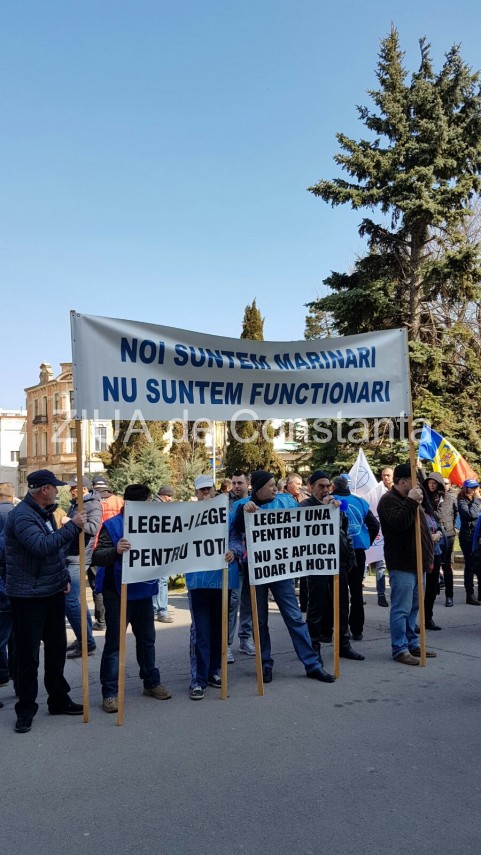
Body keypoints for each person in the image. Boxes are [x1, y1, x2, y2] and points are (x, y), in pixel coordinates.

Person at [230, 470, 335, 684]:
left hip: (281, 571)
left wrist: (325, 510)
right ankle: (264, 664)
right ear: (258, 489)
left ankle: (312, 664)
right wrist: (244, 513)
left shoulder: (285, 502)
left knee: (294, 618)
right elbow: (236, 531)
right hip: (256, 572)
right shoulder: (243, 506)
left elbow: (304, 521)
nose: (275, 489)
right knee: (260, 621)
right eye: (270, 486)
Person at [3, 469, 86, 733]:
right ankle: (26, 709)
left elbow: (55, 552)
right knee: (28, 655)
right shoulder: (22, 516)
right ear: (44, 490)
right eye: (55, 487)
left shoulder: (46, 512)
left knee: (56, 648)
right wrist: (73, 526)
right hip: (28, 595)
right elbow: (41, 547)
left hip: (51, 590)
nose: (58, 491)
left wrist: (63, 577)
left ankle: (58, 699)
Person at [92, 483, 172, 713]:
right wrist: (116, 550)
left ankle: (151, 683)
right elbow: (97, 556)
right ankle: (109, 693)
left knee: (147, 639)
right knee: (115, 643)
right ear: (131, 504)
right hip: (117, 593)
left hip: (143, 592)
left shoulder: (152, 525)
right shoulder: (112, 525)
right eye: (145, 503)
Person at [300, 471, 364, 662]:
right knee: (316, 607)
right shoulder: (304, 507)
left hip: (338, 562)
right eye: (321, 486)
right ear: (311, 487)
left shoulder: (336, 506)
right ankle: (314, 647)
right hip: (316, 563)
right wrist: (324, 511)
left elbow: (345, 531)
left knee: (342, 605)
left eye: (328, 486)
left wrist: (350, 555)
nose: (326, 489)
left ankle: (343, 644)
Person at [377, 463, 436, 665]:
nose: (417, 484)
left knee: (414, 608)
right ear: (403, 482)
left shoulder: (414, 499)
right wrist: (411, 501)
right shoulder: (388, 501)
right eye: (414, 480)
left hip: (419, 562)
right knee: (401, 609)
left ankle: (412, 643)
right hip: (402, 563)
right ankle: (399, 648)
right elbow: (400, 524)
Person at [186, 474, 238, 700]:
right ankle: (198, 680)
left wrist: (233, 551)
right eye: (202, 490)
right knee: (201, 632)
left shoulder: (227, 515)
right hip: (198, 582)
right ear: (196, 493)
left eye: (209, 489)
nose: (206, 493)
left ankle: (213, 671)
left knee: (219, 629)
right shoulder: (187, 516)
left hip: (222, 580)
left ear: (216, 491)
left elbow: (235, 538)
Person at [330, 475, 380, 641]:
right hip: (358, 550)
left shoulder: (330, 501)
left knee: (339, 593)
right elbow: (374, 524)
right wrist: (366, 541)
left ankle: (340, 629)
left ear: (333, 487)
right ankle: (357, 629)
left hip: (337, 551)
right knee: (356, 591)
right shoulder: (360, 502)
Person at [63, 476, 102, 658]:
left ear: (84, 489)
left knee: (70, 601)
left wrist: (70, 522)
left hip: (79, 557)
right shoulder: (77, 503)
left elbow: (93, 528)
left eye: (74, 488)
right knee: (78, 601)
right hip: (72, 555)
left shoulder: (92, 504)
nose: (71, 491)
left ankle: (87, 643)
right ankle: (85, 639)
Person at [89, 475, 124, 629]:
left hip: (96, 547)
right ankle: (114, 615)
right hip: (117, 545)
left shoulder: (92, 502)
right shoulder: (118, 500)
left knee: (98, 584)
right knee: (115, 582)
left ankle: (101, 620)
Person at [227, 471, 254, 663]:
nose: (236, 486)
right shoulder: (226, 504)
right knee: (232, 603)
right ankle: (226, 644)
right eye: (234, 483)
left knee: (249, 602)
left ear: (248, 484)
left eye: (240, 483)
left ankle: (245, 639)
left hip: (252, 560)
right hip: (234, 561)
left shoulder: (254, 503)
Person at [421, 473, 446, 630]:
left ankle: (428, 618)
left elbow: (438, 526)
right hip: (422, 554)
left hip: (435, 552)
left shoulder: (430, 511)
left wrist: (438, 533)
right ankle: (414, 620)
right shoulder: (416, 512)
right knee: (420, 589)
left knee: (431, 587)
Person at [152, 485, 175, 624]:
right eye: (169, 496)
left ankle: (155, 609)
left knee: (157, 579)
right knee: (162, 580)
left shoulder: (153, 505)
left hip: (156, 548)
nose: (170, 499)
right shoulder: (160, 507)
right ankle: (161, 610)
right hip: (160, 549)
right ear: (163, 495)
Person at [457, 479, 481, 604]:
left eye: (475, 487)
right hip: (467, 536)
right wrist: (477, 500)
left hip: (477, 536)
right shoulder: (462, 501)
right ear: (465, 488)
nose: (474, 490)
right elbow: (472, 514)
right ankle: (470, 595)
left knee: (479, 565)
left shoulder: (477, 500)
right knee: (470, 565)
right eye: (472, 488)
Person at [374, 467, 394, 607]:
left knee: (393, 566)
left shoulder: (397, 491)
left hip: (394, 533)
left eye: (388, 475)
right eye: (383, 475)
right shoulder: (377, 491)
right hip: (381, 533)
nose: (385, 477)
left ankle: (395, 593)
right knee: (380, 565)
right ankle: (381, 594)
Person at [437, 478, 458, 607]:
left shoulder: (450, 497)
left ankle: (449, 596)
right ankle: (433, 591)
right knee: (434, 565)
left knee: (446, 566)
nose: (444, 485)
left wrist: (451, 526)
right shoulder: (432, 497)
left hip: (448, 534)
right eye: (442, 483)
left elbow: (455, 513)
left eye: (446, 483)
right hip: (434, 534)